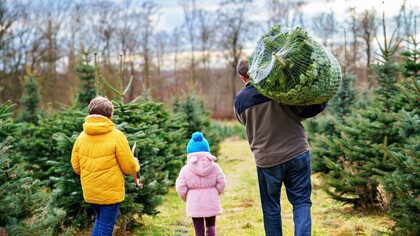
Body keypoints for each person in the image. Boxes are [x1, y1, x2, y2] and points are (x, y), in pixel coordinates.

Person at [234, 57, 327, 236]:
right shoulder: (279, 88)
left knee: (271, 208)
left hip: (267, 160)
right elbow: (307, 110)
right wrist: (323, 99)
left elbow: (243, 122)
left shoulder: (240, 100)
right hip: (297, 153)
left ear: (242, 77)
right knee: (301, 201)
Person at [71, 96, 140, 236]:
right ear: (110, 116)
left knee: (100, 220)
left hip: (90, 191)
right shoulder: (117, 136)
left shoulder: (81, 137)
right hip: (110, 193)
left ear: (90, 114)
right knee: (106, 227)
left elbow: (76, 167)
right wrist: (136, 164)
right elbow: (129, 168)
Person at [176, 132, 226, 236]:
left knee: (198, 229)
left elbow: (180, 187)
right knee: (211, 226)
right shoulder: (215, 167)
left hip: (194, 202)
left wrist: (187, 197)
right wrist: (216, 193)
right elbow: (222, 182)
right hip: (211, 200)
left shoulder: (185, 169)